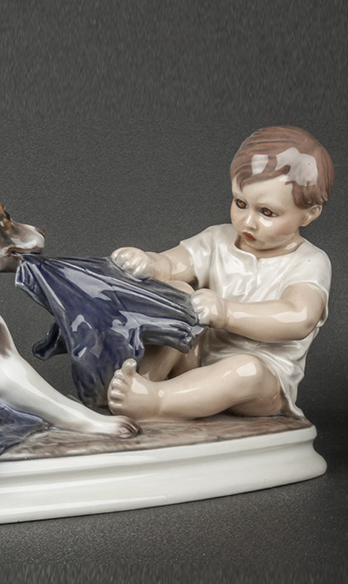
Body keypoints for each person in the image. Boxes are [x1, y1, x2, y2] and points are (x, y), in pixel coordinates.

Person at [108, 126, 334, 421]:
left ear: (310, 213)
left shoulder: (309, 262)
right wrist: (150, 263)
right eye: (241, 203)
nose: (247, 221)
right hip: (196, 361)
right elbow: (173, 264)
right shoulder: (218, 239)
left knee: (245, 369)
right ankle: (144, 379)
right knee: (177, 292)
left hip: (261, 383)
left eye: (267, 212)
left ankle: (156, 402)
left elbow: (299, 317)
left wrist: (226, 313)